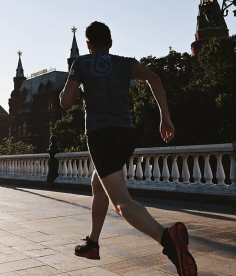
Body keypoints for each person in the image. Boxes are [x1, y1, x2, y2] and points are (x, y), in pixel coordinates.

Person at [60, 21, 197, 276]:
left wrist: (79, 87)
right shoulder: (125, 62)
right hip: (126, 134)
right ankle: (93, 243)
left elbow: (65, 103)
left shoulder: (81, 63)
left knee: (121, 202)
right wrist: (165, 117)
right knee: (98, 183)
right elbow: (154, 78)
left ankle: (167, 239)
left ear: (88, 44)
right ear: (110, 43)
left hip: (101, 135)